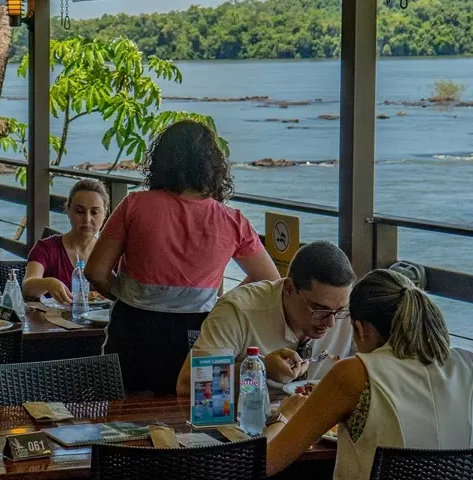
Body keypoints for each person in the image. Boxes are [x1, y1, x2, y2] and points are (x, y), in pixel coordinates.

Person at [85, 120, 280, 395]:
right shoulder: (232, 221)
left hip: (134, 329)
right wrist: (223, 304)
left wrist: (126, 294)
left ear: (161, 160)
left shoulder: (134, 205)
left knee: (125, 412)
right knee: (197, 410)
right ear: (214, 165)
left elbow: (95, 271)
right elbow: (269, 280)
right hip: (203, 336)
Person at [264, 269, 473, 479]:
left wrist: (284, 416)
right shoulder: (470, 364)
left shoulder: (356, 373)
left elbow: (267, 462)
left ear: (361, 329)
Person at [174, 241, 357, 395]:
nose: (331, 322)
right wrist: (258, 369)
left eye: (340, 310)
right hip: (248, 421)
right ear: (289, 288)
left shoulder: (352, 312)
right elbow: (187, 384)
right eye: (318, 309)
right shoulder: (239, 310)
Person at [23, 179, 109, 302]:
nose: (87, 219)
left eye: (94, 212)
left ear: (105, 214)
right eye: (79, 211)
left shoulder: (110, 252)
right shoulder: (46, 248)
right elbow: (27, 286)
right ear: (68, 210)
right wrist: (48, 283)